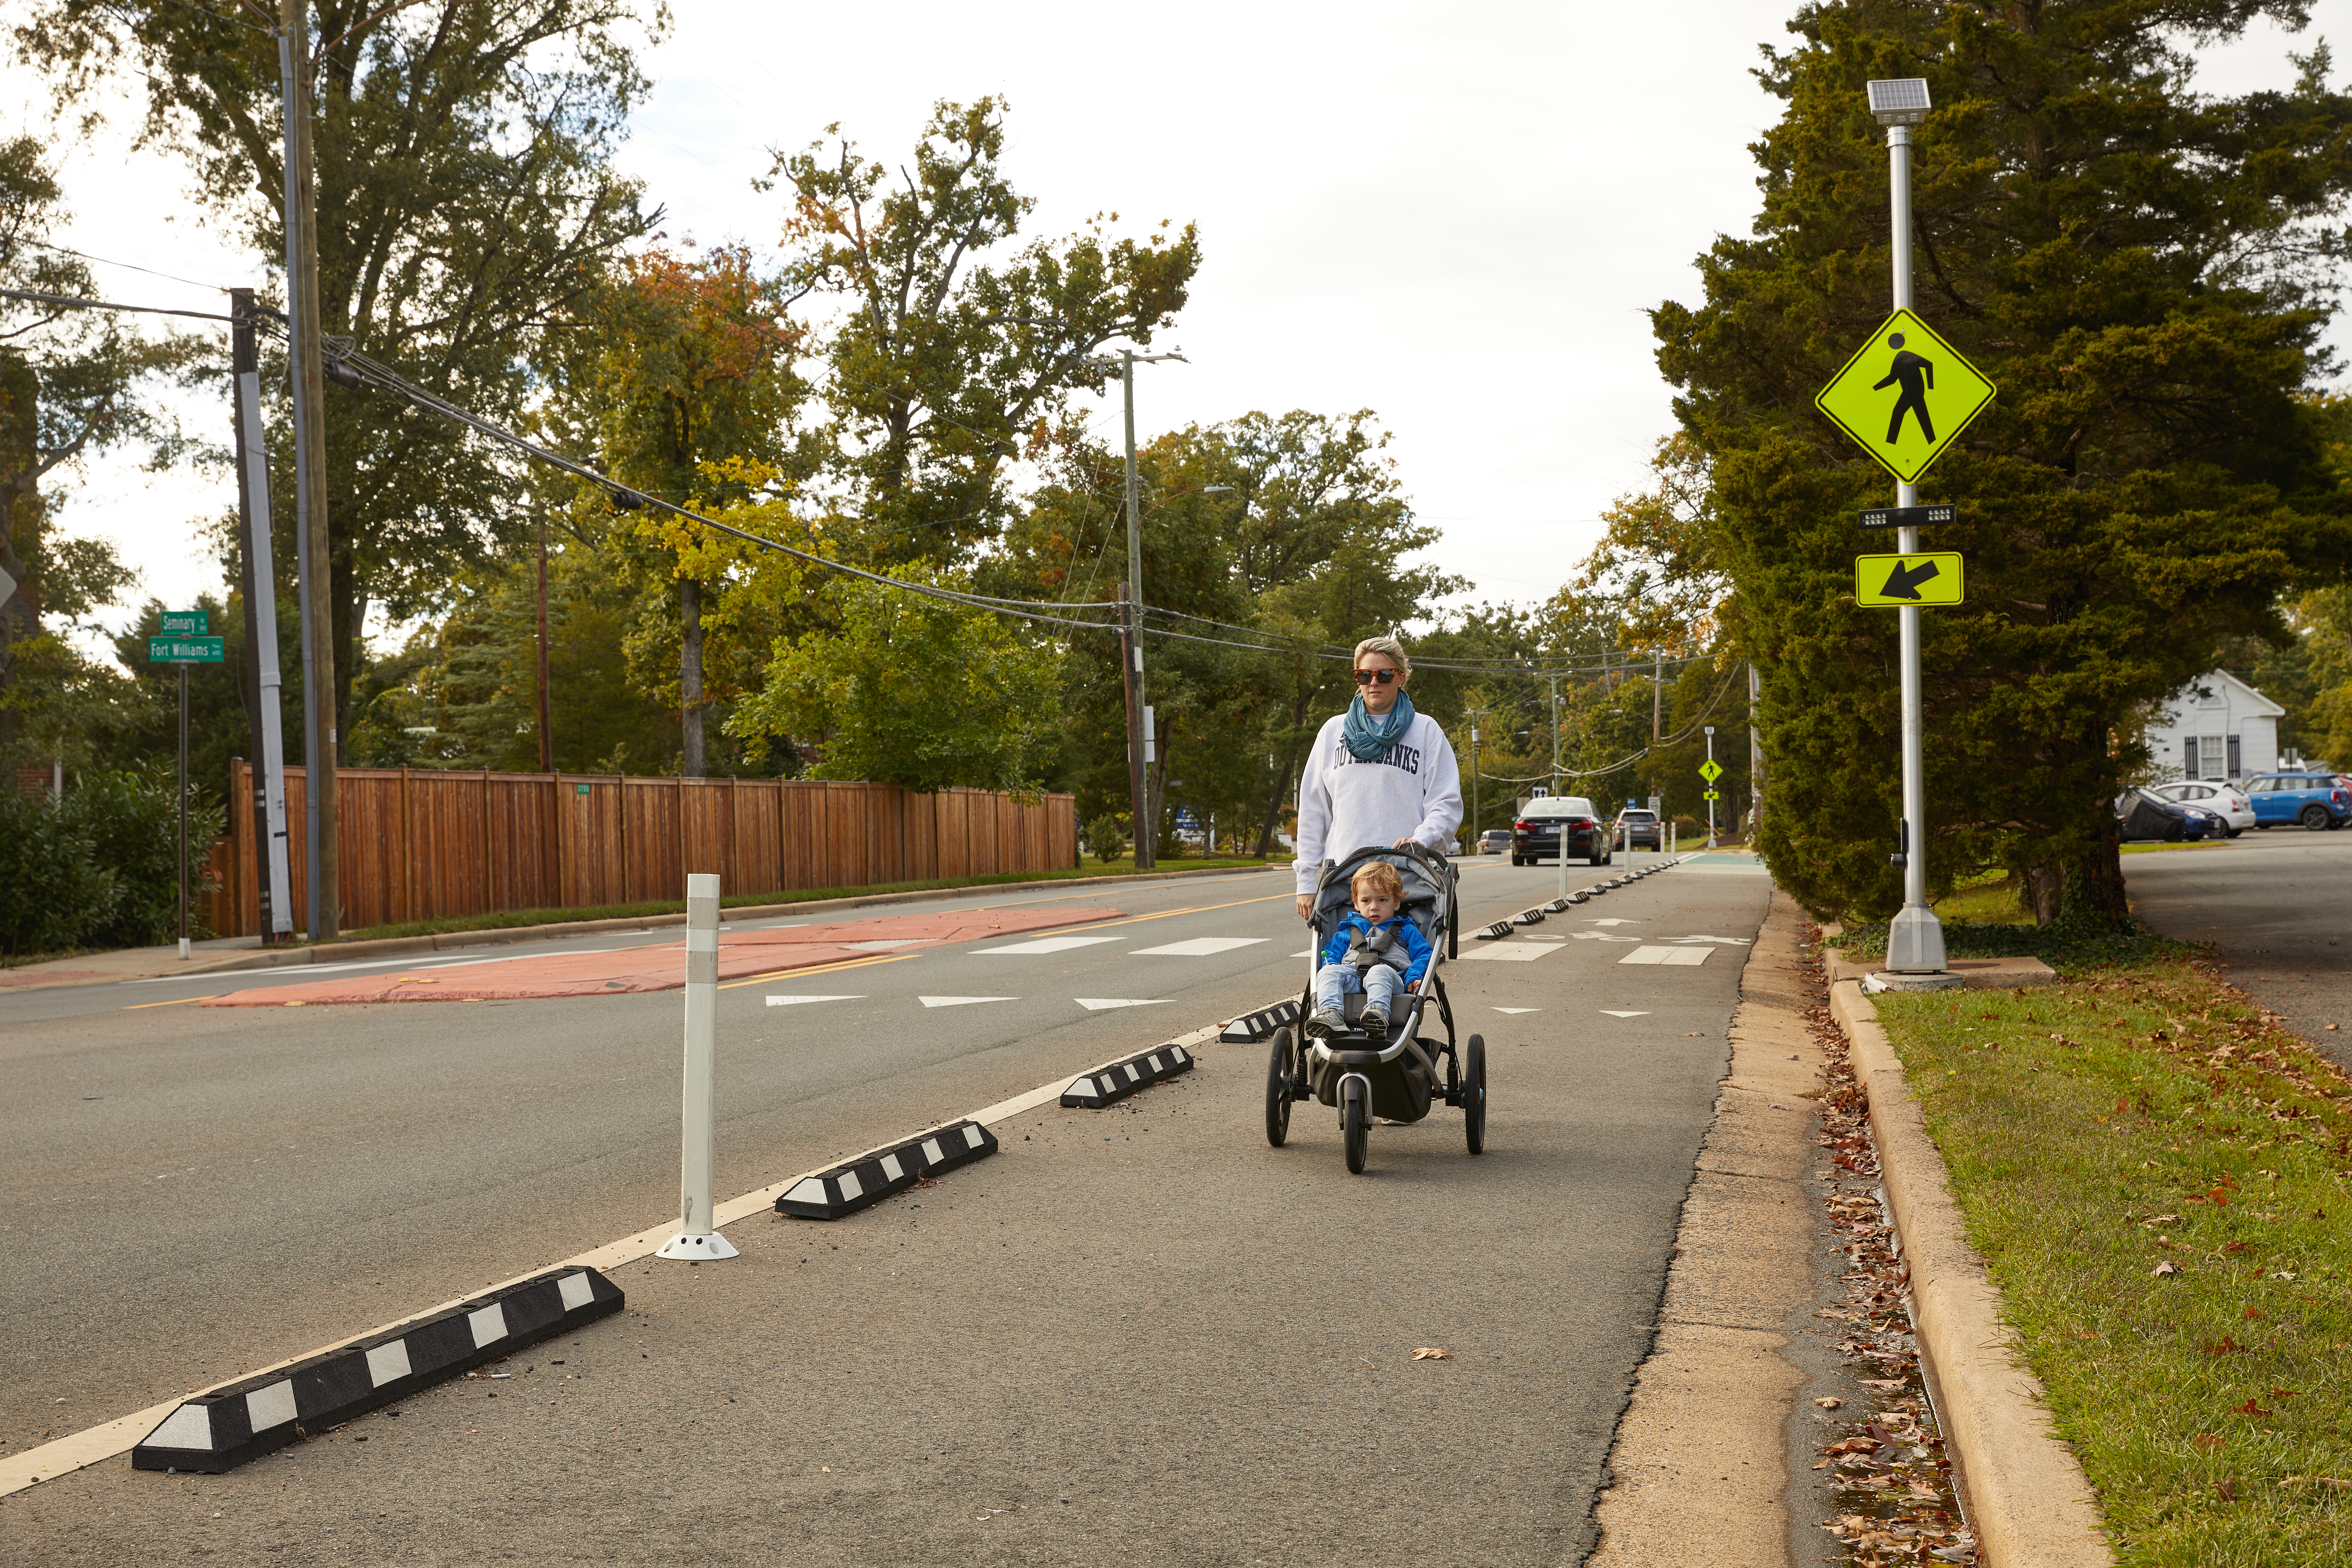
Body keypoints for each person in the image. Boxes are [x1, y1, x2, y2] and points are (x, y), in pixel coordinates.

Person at [1292, 635, 1464, 922]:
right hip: (1344, 879)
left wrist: (1420, 841)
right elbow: (1313, 810)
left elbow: (1446, 804)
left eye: (1384, 675)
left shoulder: (1425, 731)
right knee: (1337, 965)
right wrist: (1306, 881)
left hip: (1408, 879)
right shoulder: (1333, 732)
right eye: (1364, 675)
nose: (1374, 683)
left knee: (1406, 964)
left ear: (1402, 677)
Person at [1308, 859, 1431, 1039]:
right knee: (1328, 972)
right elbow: (1331, 954)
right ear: (1356, 904)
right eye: (1366, 901)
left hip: (1391, 979)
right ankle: (1331, 1014)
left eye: (1382, 900)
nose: (1374, 907)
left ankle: (1376, 1015)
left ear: (1396, 903)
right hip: (1353, 975)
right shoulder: (1347, 932)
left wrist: (1413, 977)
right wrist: (1330, 966)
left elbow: (1424, 954)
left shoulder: (1406, 930)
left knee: (1379, 971)